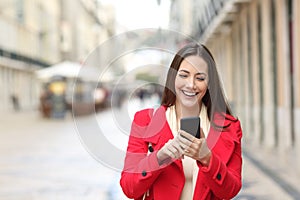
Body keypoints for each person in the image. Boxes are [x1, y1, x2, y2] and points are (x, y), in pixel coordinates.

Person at [120, 43, 243, 200]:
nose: (191, 84)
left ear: (209, 83)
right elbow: (129, 189)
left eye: (200, 78)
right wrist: (160, 157)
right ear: (173, 77)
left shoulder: (229, 127)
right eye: (184, 75)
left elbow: (230, 191)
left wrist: (208, 159)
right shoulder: (144, 121)